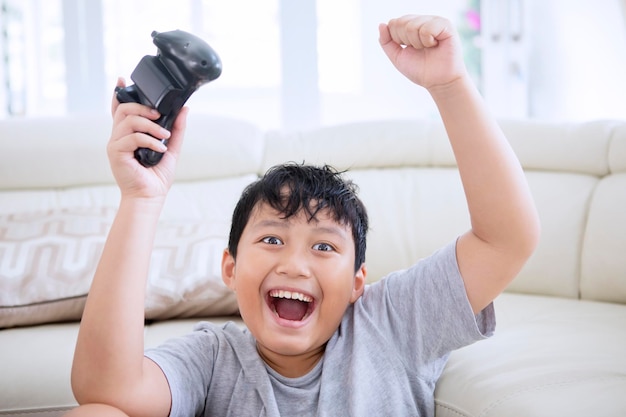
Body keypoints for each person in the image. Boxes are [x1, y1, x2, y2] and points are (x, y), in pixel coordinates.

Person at [65, 14, 540, 417]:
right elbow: (107, 391)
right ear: (230, 267)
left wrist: (450, 85)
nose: (294, 264)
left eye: (324, 246)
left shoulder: (392, 324)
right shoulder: (213, 357)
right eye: (272, 240)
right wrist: (140, 199)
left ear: (358, 283)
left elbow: (505, 240)